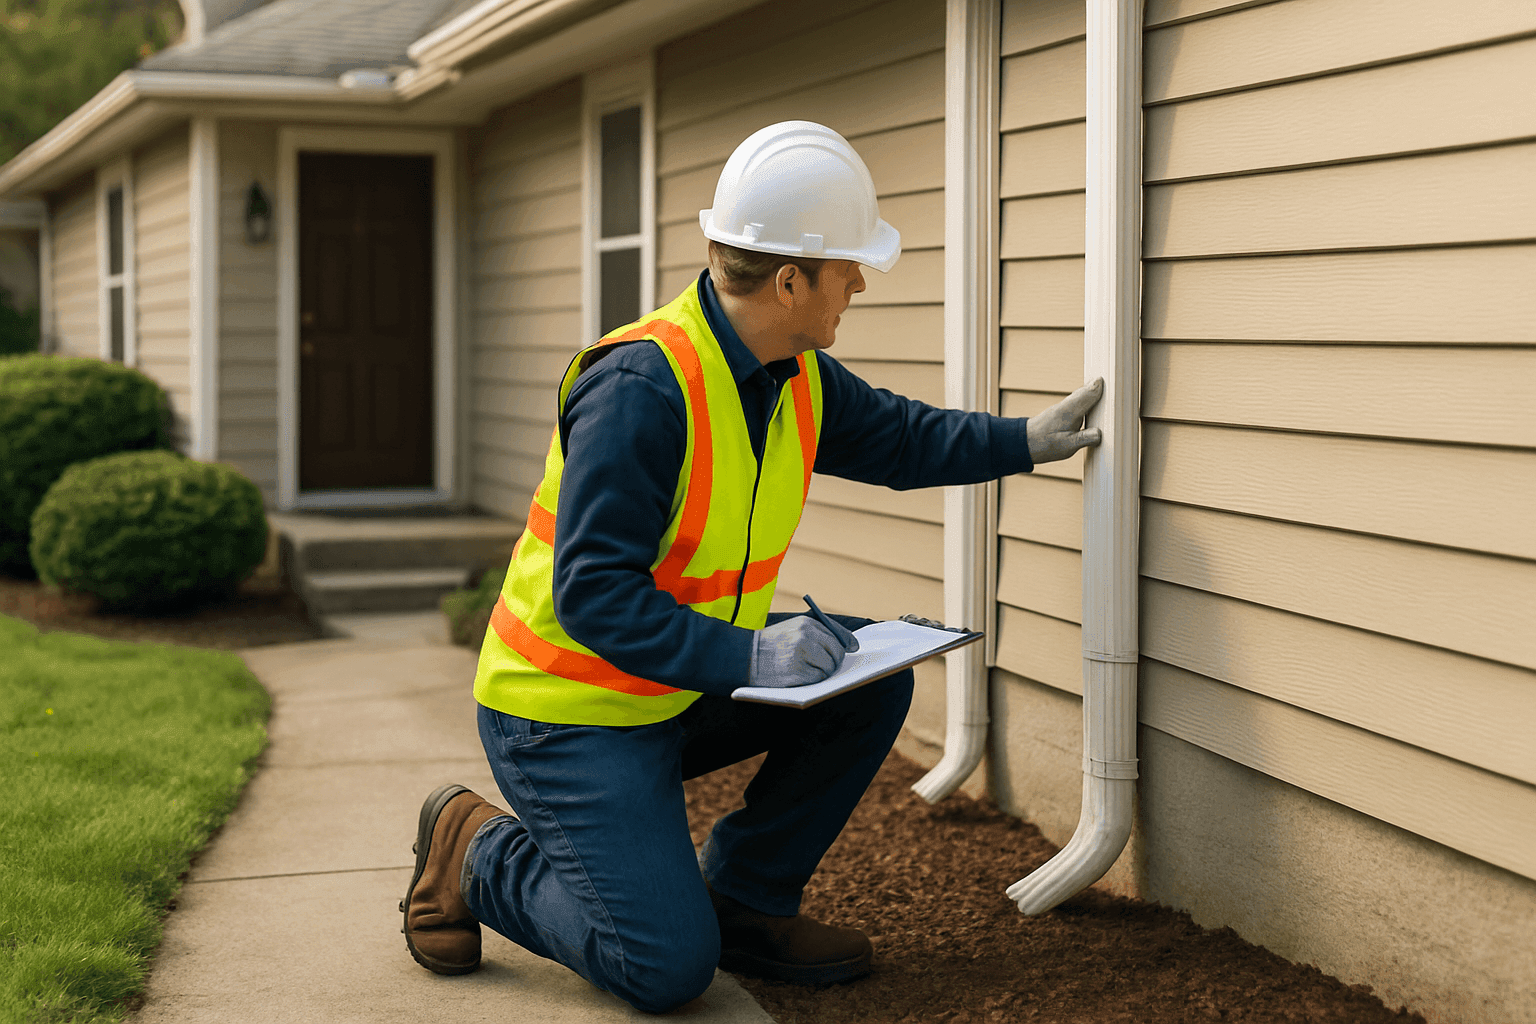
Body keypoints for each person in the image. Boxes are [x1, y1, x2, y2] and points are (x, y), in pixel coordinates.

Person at [399, 121, 1104, 1013]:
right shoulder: (642, 391)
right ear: (788, 279)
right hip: (567, 714)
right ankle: (475, 849)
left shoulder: (792, 370)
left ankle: (745, 900)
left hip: (675, 685)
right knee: (662, 968)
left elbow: (901, 435)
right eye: (848, 266)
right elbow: (593, 597)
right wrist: (752, 660)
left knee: (866, 674)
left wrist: (1026, 441)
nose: (857, 283)